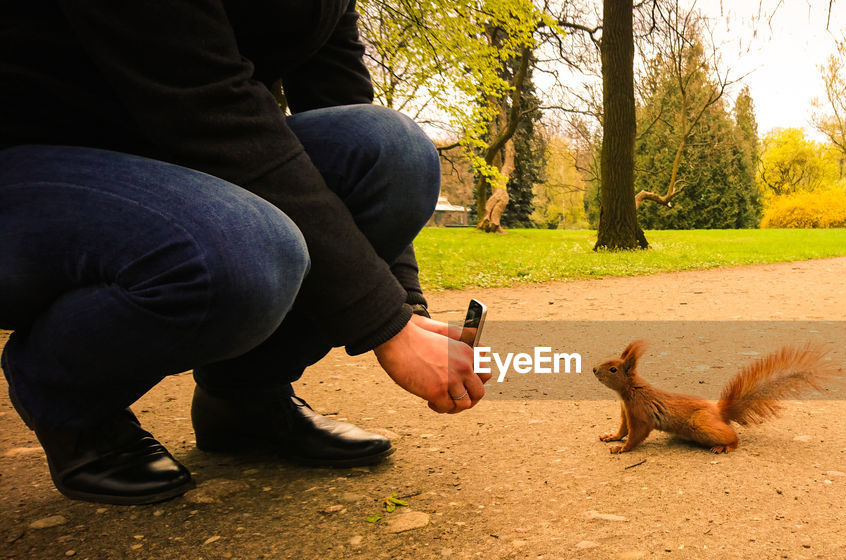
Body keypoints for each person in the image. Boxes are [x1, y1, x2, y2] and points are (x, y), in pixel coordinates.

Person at [0, 0, 491, 506]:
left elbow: (338, 95)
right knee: (243, 254)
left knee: (393, 151)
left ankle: (244, 399)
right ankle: (64, 394)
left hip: (177, 150)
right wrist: (385, 327)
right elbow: (208, 107)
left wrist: (404, 306)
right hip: (34, 160)